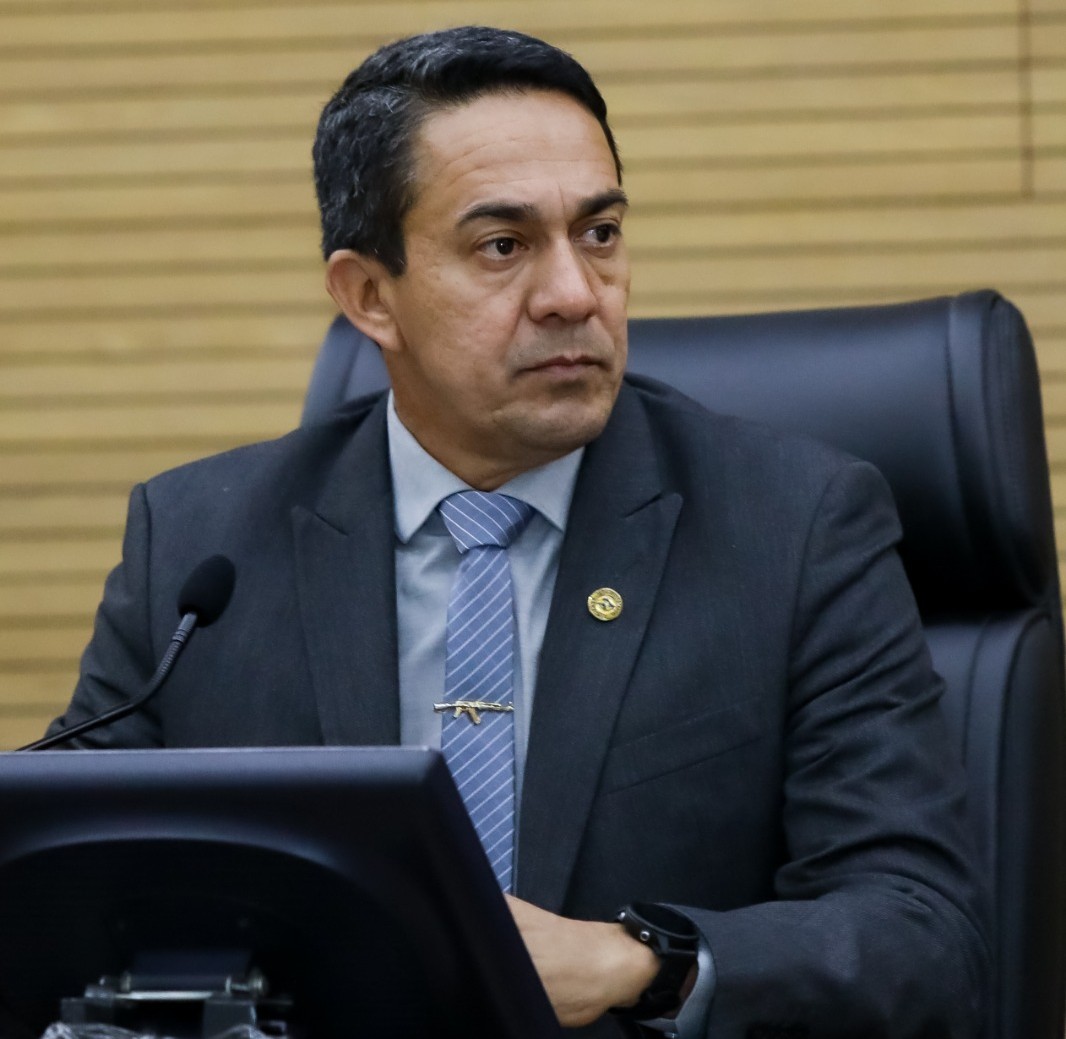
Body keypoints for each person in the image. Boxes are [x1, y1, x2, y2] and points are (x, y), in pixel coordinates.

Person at [49, 26, 988, 1038]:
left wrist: (641, 963)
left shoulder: (794, 527)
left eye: (600, 233)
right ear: (369, 295)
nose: (575, 294)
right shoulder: (201, 544)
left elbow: (922, 934)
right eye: (503, 246)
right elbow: (59, 873)